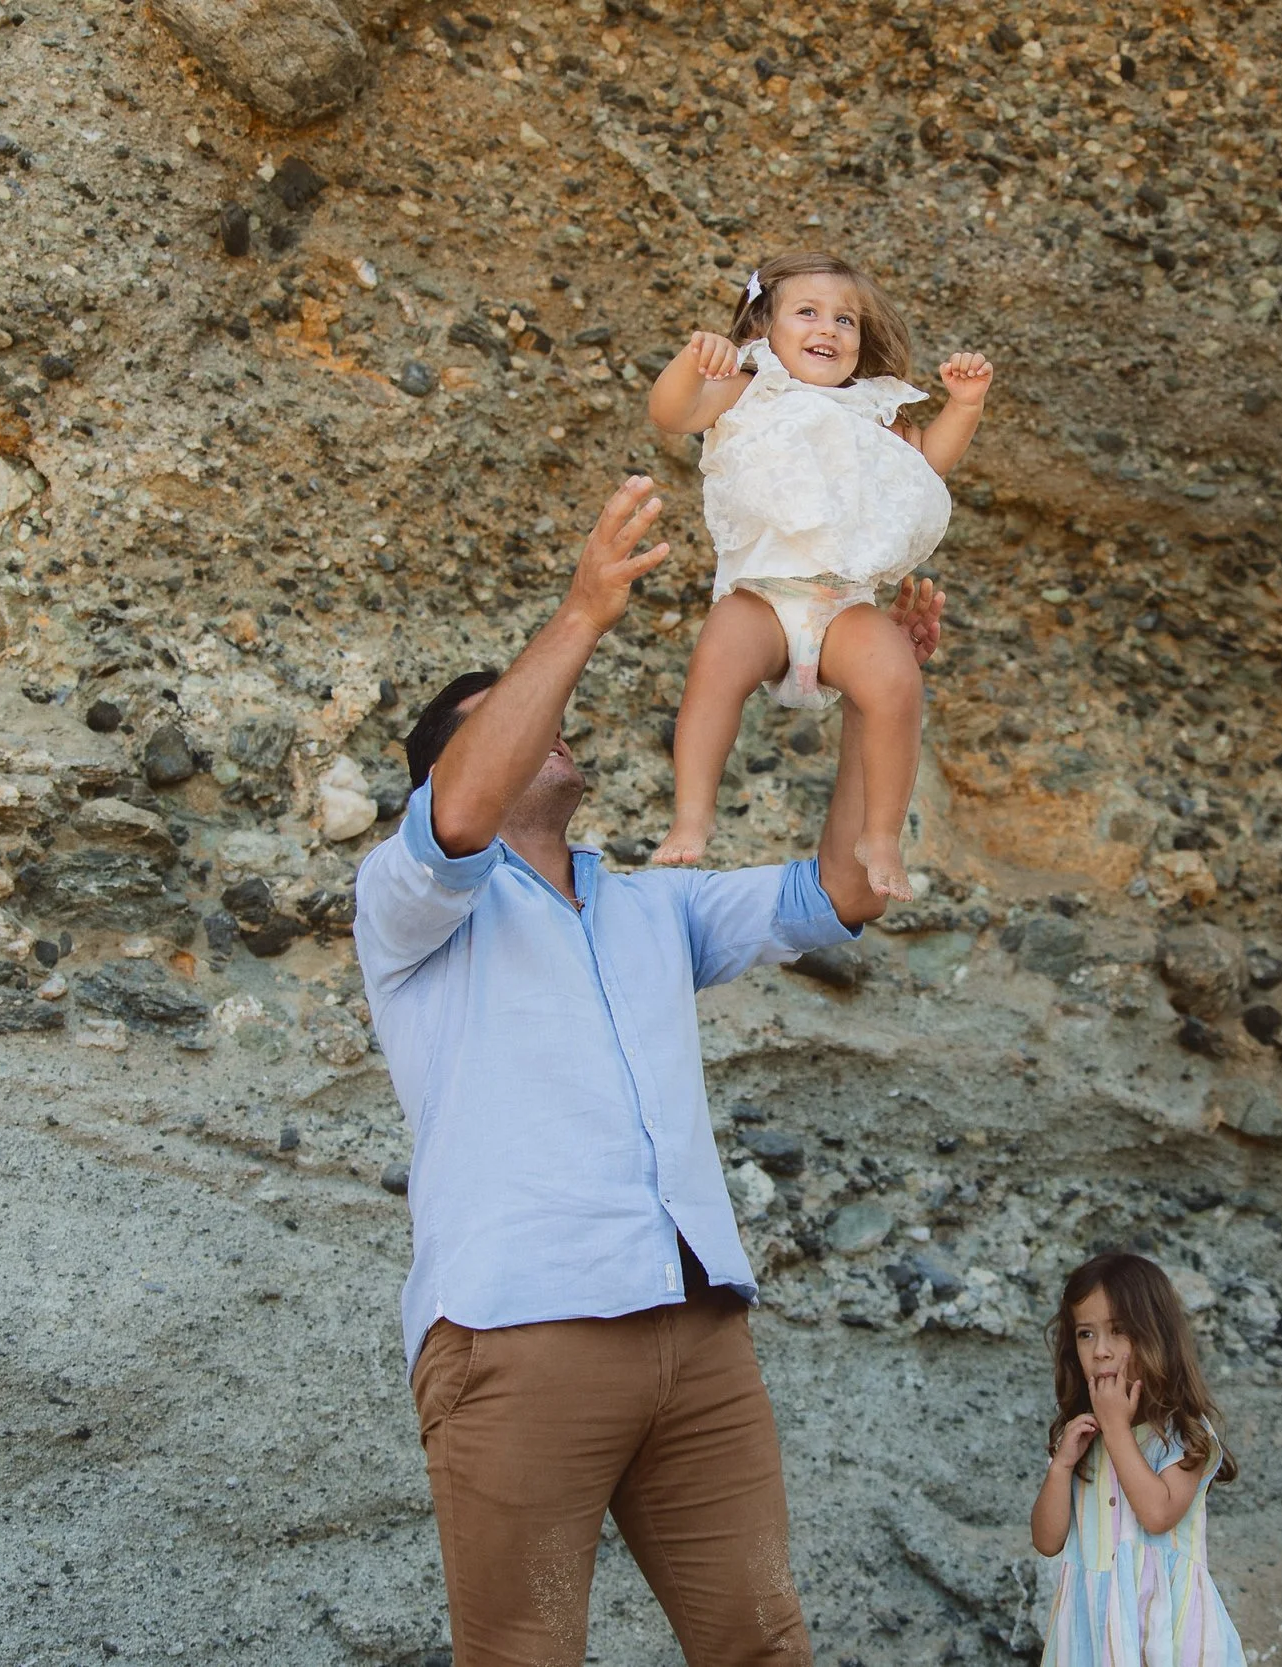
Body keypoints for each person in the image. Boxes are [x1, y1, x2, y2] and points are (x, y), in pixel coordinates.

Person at [350, 474, 944, 1667]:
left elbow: (845, 889)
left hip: (699, 1327)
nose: (555, 717)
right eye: (515, 710)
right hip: (522, 1327)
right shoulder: (405, 897)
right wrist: (577, 614)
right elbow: (461, 818)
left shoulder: (649, 903)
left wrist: (878, 706)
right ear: (445, 766)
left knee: (765, 1647)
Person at [643, 248, 994, 901]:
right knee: (718, 658)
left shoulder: (875, 410)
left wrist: (964, 408)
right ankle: (693, 811)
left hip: (842, 604)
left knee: (895, 680)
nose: (829, 329)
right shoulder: (750, 388)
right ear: (762, 328)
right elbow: (669, 414)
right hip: (761, 594)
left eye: (847, 321)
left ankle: (882, 832)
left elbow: (926, 467)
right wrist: (692, 364)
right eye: (808, 312)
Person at [1029, 1251, 1247, 1667]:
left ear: (1156, 1336)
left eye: (1119, 1331)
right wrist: (1060, 1467)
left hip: (1168, 1630)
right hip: (1091, 1631)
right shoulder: (1081, 1439)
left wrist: (1116, 1430)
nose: (1101, 1351)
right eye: (1085, 1334)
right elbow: (1047, 1540)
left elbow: (1157, 1514)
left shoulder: (1183, 1431)